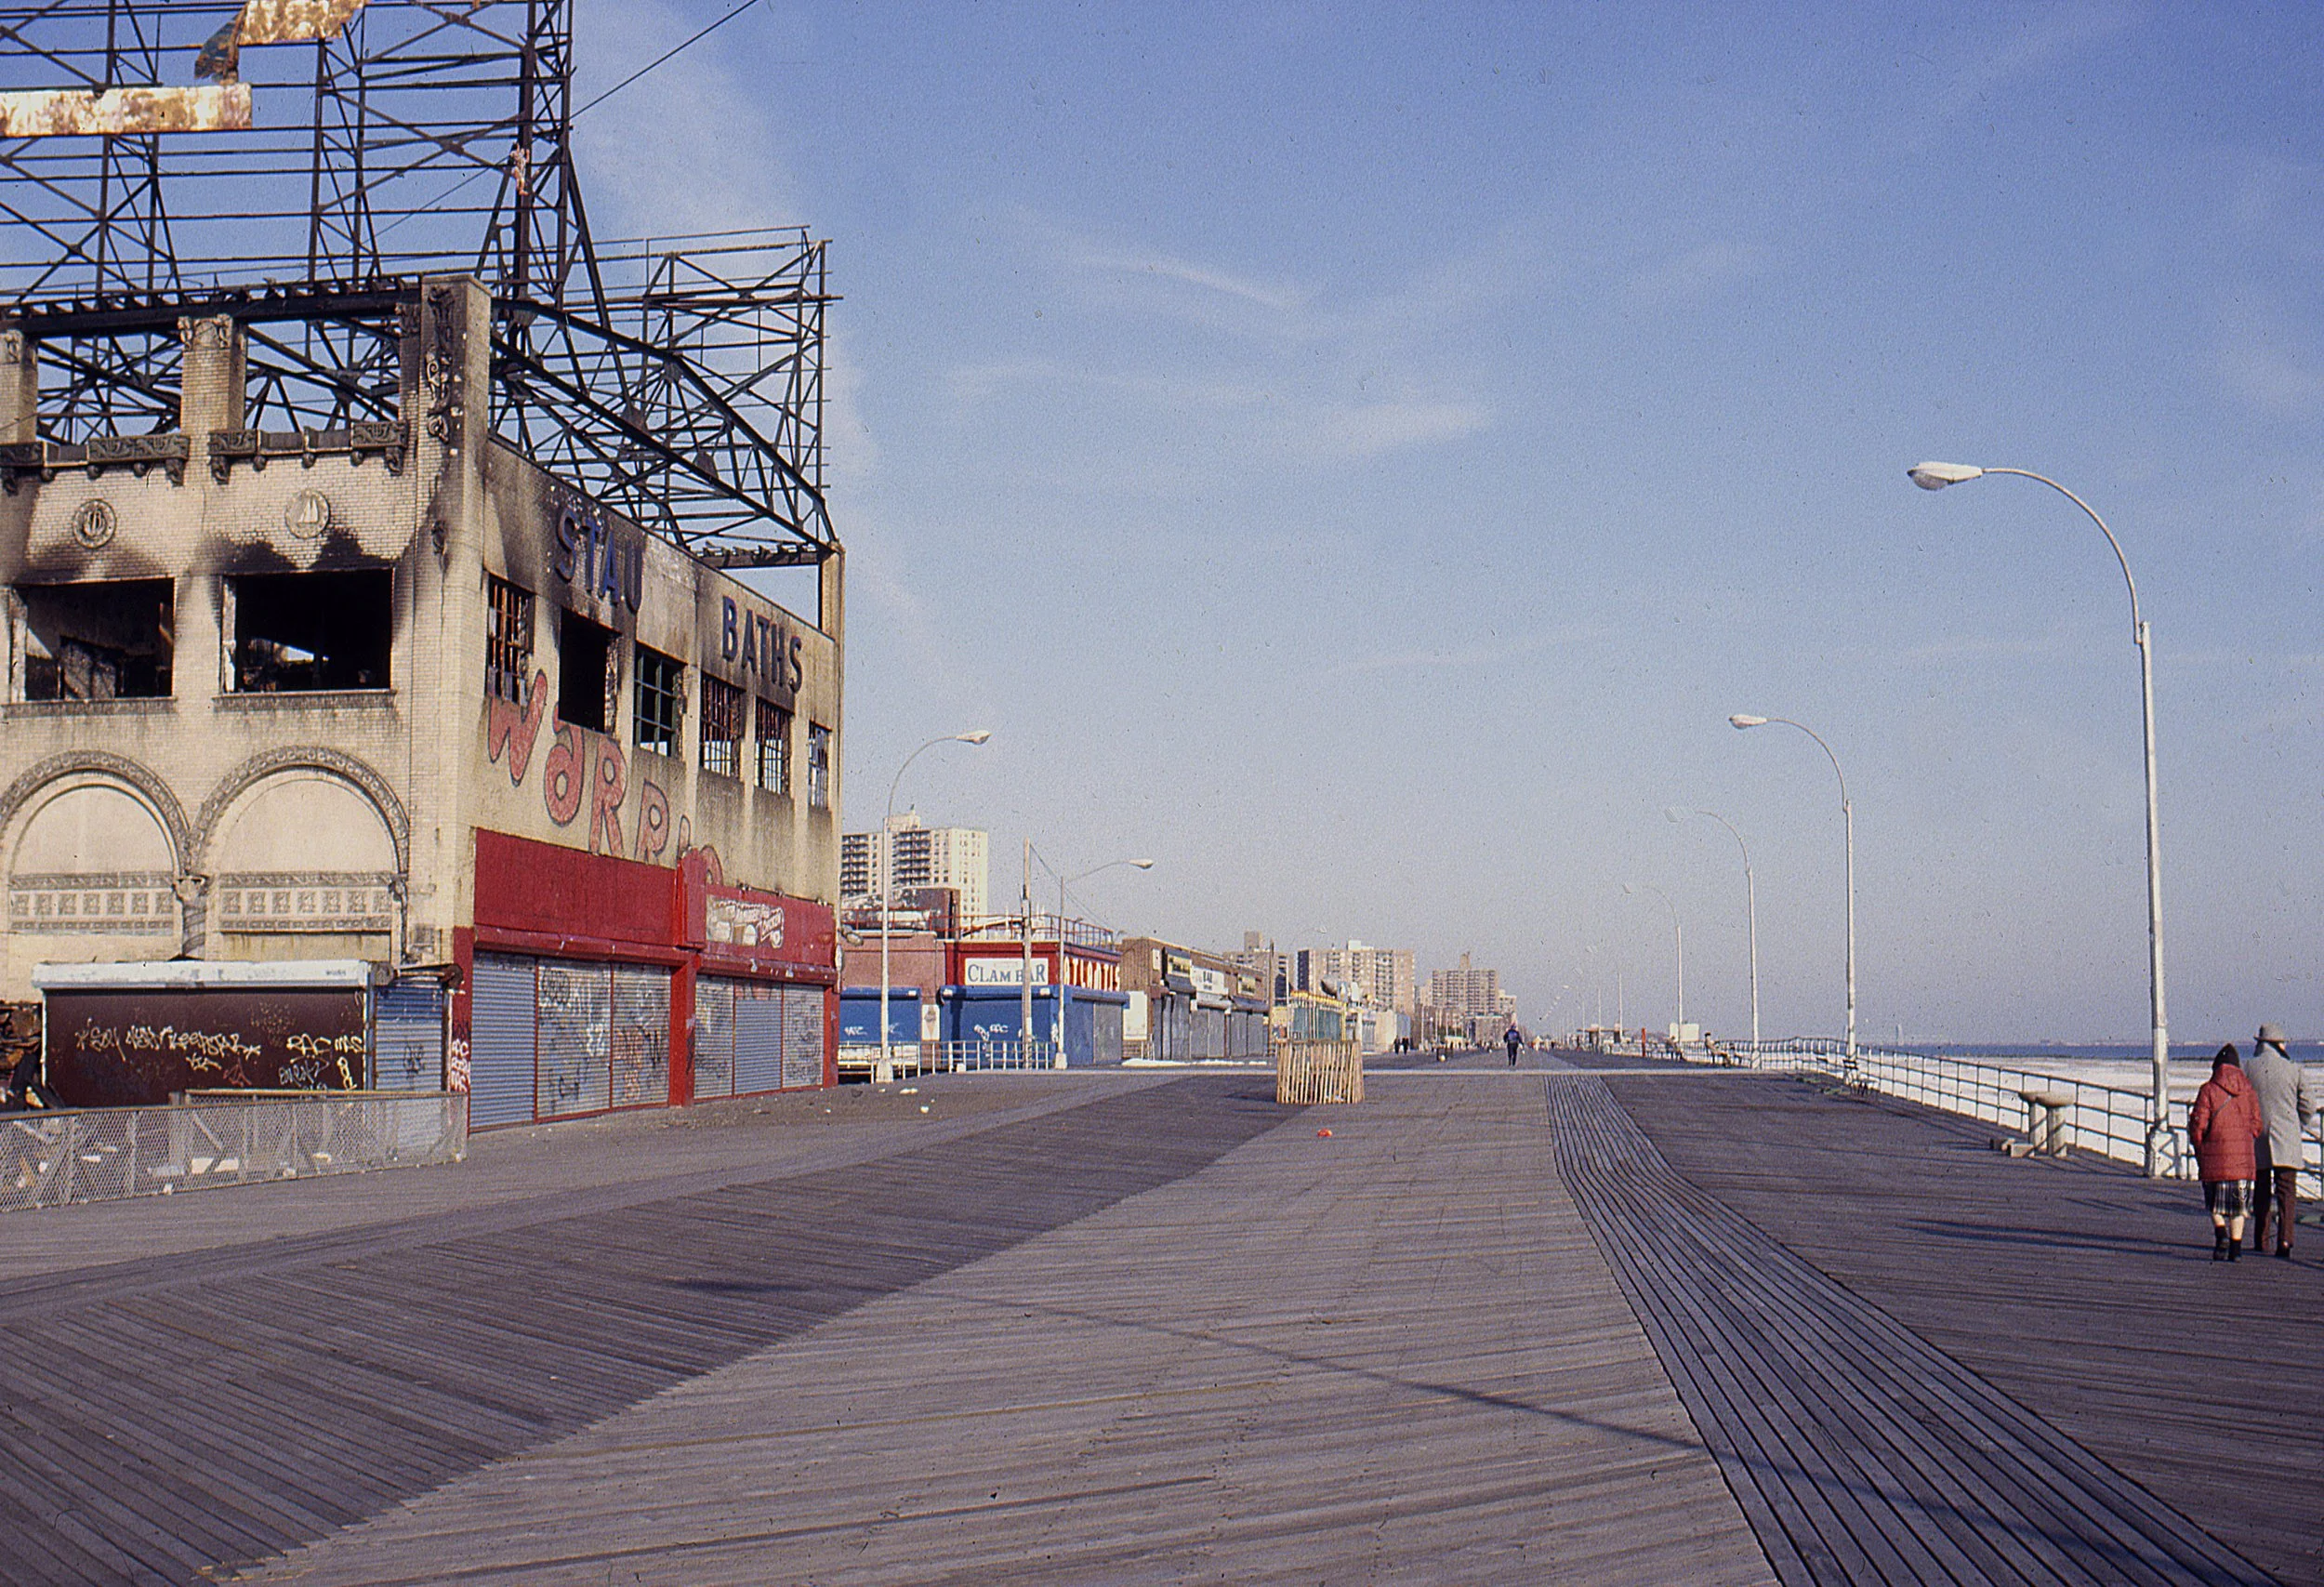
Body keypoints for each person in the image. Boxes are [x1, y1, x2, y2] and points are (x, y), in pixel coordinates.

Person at [2245, 1023, 2319, 1259]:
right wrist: (2298, 1124)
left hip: (2257, 1137)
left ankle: (2261, 1239)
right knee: (2287, 1192)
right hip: (2286, 1137)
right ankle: (2285, 1241)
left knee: (2262, 1191)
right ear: (2279, 1044)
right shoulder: (2294, 1069)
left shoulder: (2248, 1067)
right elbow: (2309, 1105)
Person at [2187, 1044, 2265, 1262]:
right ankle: (2236, 1249)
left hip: (2215, 1157)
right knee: (2239, 1206)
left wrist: (2201, 1147)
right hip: (2242, 1161)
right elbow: (2257, 1126)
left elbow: (2198, 1125)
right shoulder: (2249, 1091)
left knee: (2215, 1203)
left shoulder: (2208, 1090)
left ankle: (2221, 1234)